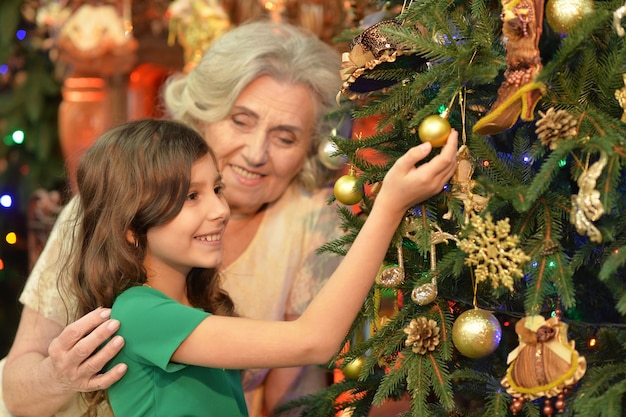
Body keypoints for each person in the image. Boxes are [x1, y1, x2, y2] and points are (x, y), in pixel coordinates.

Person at [2, 20, 343, 417]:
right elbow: (17, 394)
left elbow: (295, 396)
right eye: (240, 121)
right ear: (202, 116)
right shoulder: (109, 210)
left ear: (310, 149)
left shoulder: (310, 223)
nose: (255, 153)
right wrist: (58, 376)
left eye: (285, 138)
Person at [77, 117, 457, 417]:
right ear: (131, 229)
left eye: (217, 189)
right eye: (192, 196)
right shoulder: (138, 313)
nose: (219, 210)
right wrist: (389, 206)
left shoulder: (186, 308)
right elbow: (314, 341)